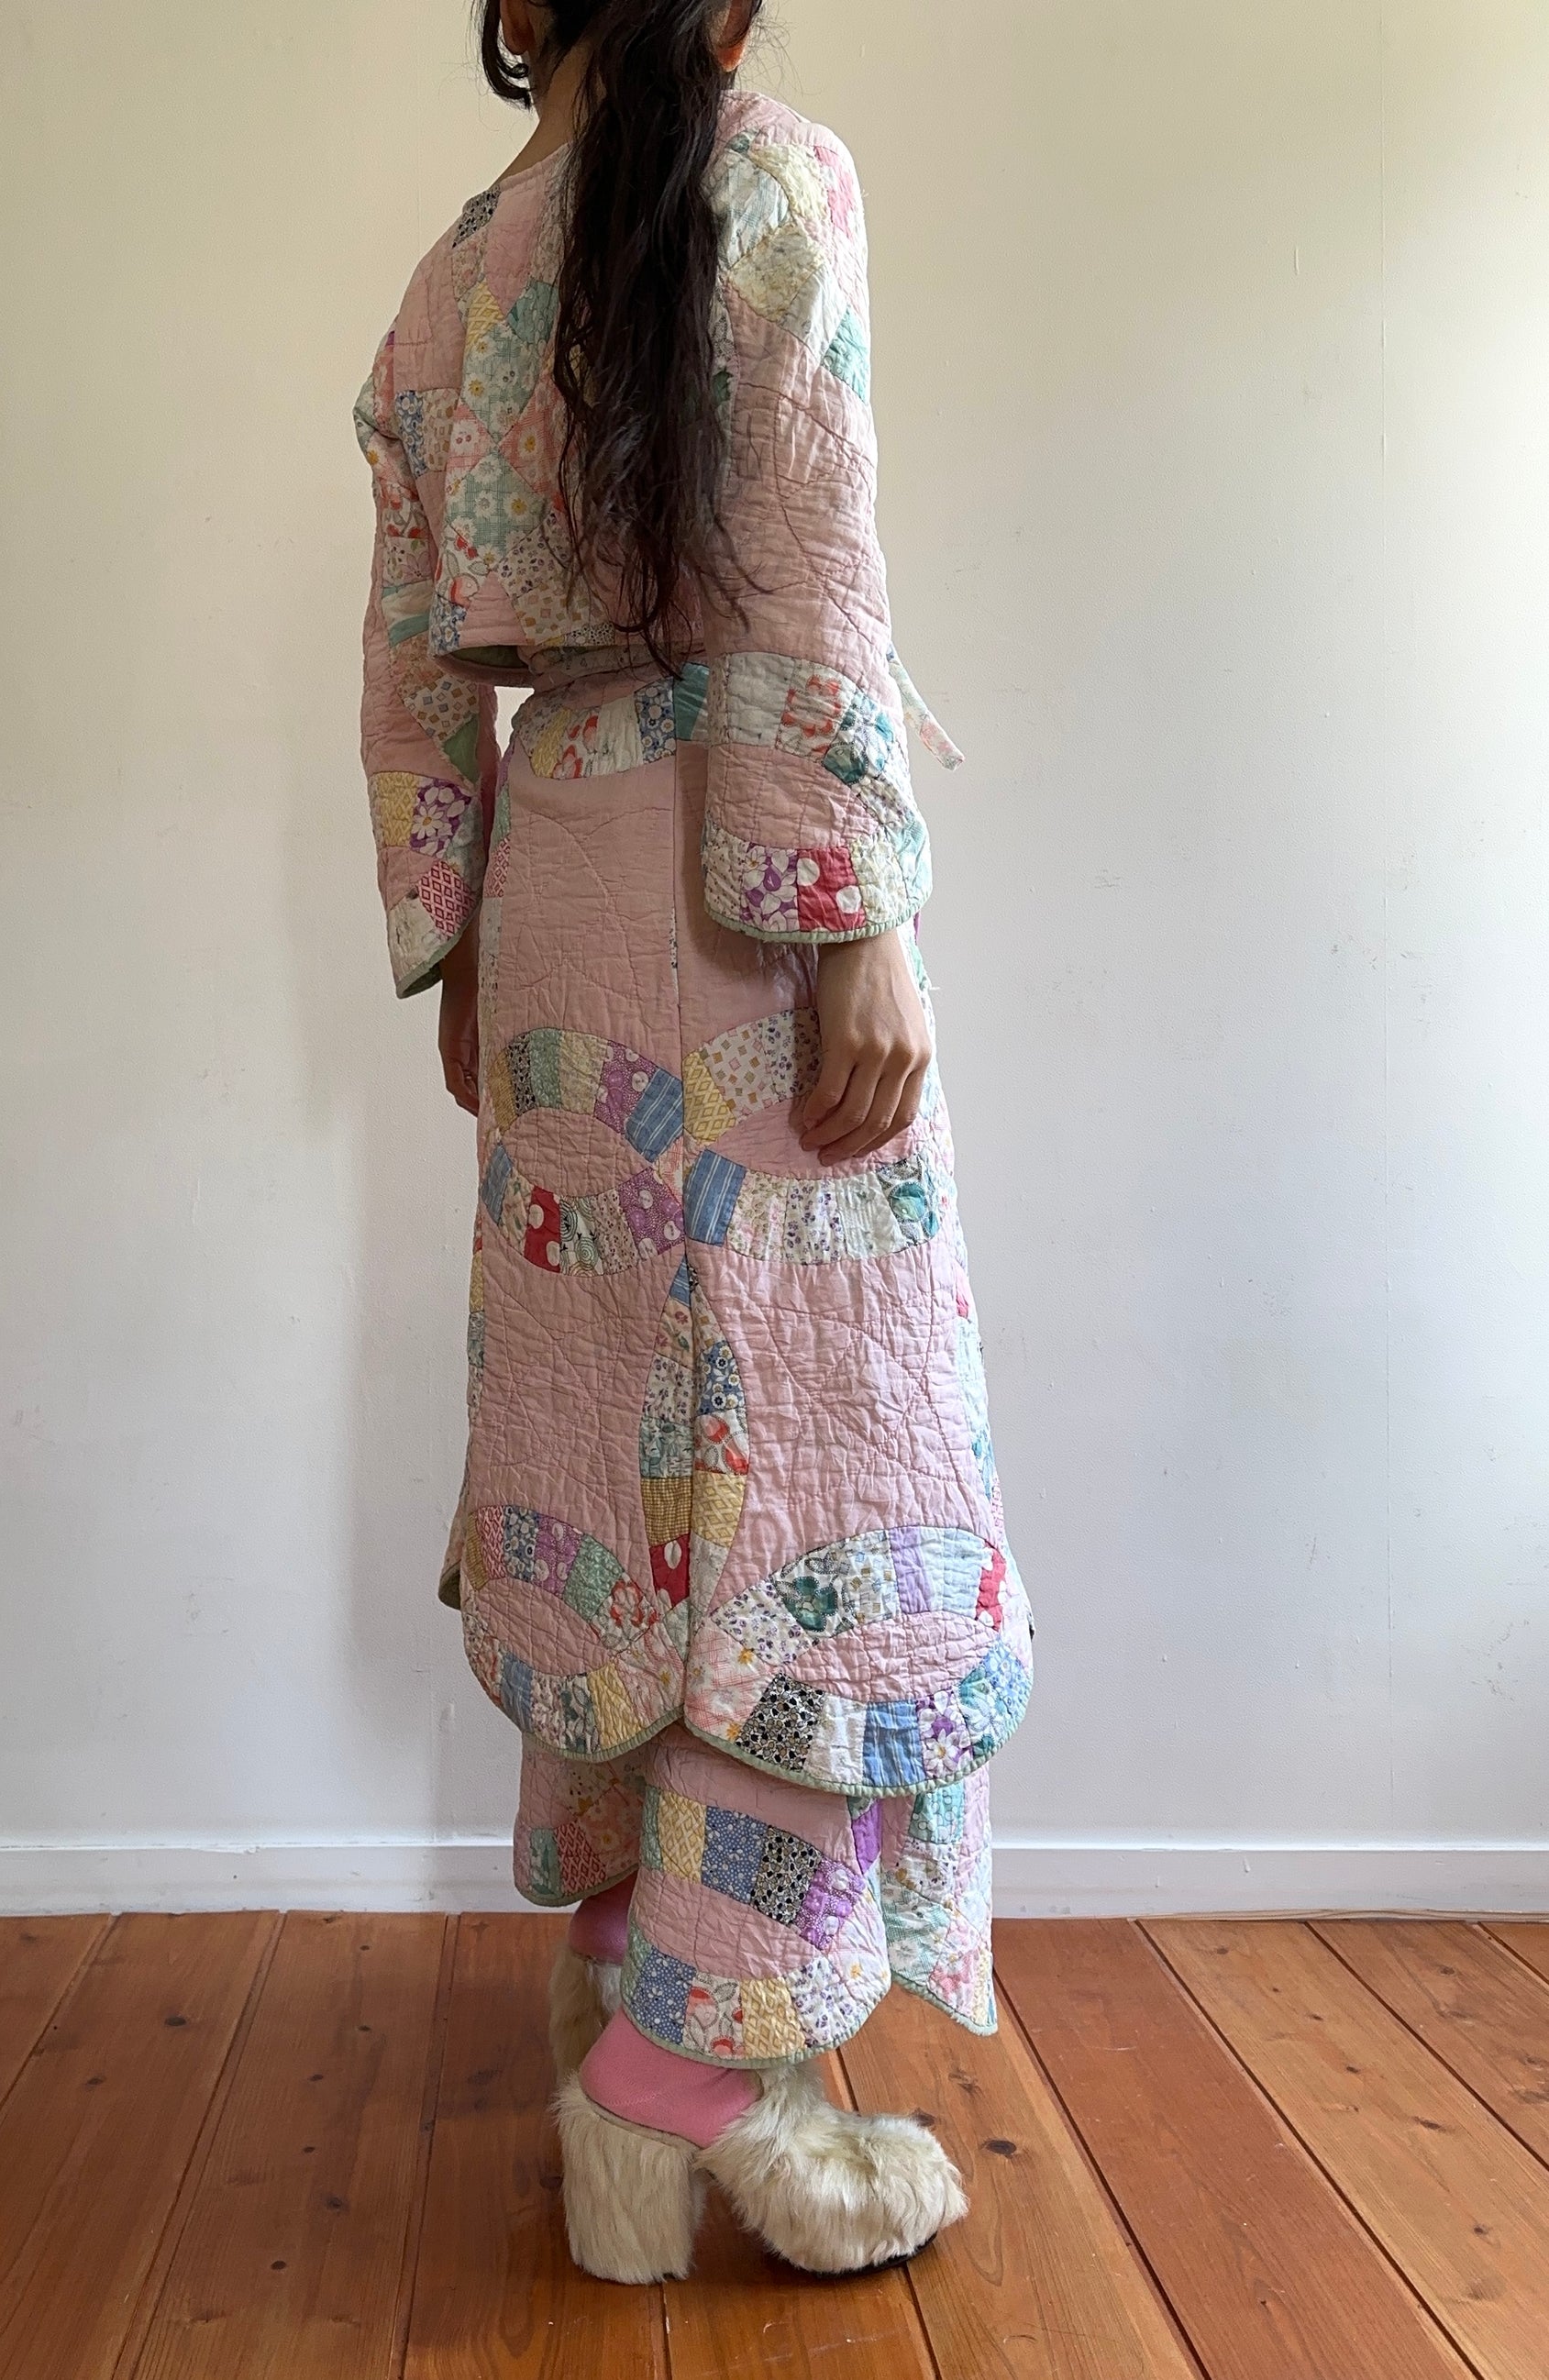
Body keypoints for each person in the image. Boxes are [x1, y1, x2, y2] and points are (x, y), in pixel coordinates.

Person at [354, 0, 1032, 2282]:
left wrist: (459, 940)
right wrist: (858, 919)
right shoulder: (771, 180)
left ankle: (630, 1998)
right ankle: (690, 2070)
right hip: (740, 893)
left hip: (559, 865)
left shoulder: (452, 277)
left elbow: (409, 662)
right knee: (804, 1479)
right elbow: (805, 561)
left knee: (612, 1447)